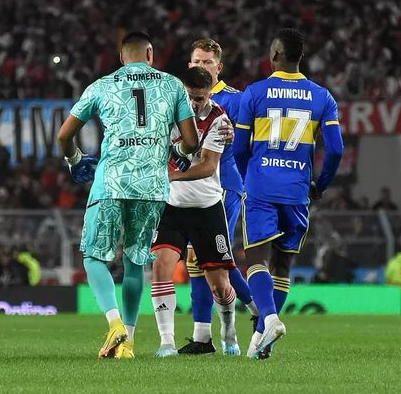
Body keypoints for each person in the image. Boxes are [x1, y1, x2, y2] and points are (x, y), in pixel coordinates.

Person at [57, 31, 199, 359]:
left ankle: (114, 323)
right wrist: (174, 148)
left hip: (111, 182)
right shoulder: (173, 85)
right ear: (150, 54)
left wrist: (75, 160)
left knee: (94, 256)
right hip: (152, 187)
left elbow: (65, 135)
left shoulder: (102, 86)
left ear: (122, 57)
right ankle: (129, 343)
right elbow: (191, 143)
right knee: (135, 262)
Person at [233, 28, 343, 359]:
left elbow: (239, 148)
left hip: (261, 187)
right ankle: (259, 341)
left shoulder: (255, 92)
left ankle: (268, 319)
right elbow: (335, 150)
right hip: (298, 191)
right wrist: (320, 185)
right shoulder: (322, 97)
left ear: (277, 55)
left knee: (255, 259)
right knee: (282, 264)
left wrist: (246, 175)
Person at [150, 66, 240, 357]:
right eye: (189, 97)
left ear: (209, 95)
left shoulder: (219, 120)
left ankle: (228, 331)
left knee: (219, 285)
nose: (194, 104)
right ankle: (166, 343)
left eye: (200, 98)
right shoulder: (167, 114)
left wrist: (171, 176)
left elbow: (208, 167)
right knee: (161, 266)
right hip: (172, 207)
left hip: (206, 208)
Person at [179, 38, 259, 356]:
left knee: (210, 261)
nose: (201, 67)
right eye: (196, 62)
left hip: (222, 187)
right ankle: (207, 333)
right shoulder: (183, 99)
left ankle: (257, 314)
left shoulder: (233, 101)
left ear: (219, 67)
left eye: (207, 63)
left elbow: (243, 144)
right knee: (201, 261)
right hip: (192, 189)